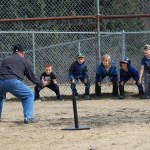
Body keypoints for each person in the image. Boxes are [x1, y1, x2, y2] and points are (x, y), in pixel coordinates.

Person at [0, 44, 48, 124]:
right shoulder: (23, 60)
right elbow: (31, 76)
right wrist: (40, 83)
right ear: (22, 52)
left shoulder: (6, 59)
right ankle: (28, 117)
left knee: (0, 97)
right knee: (29, 95)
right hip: (13, 81)